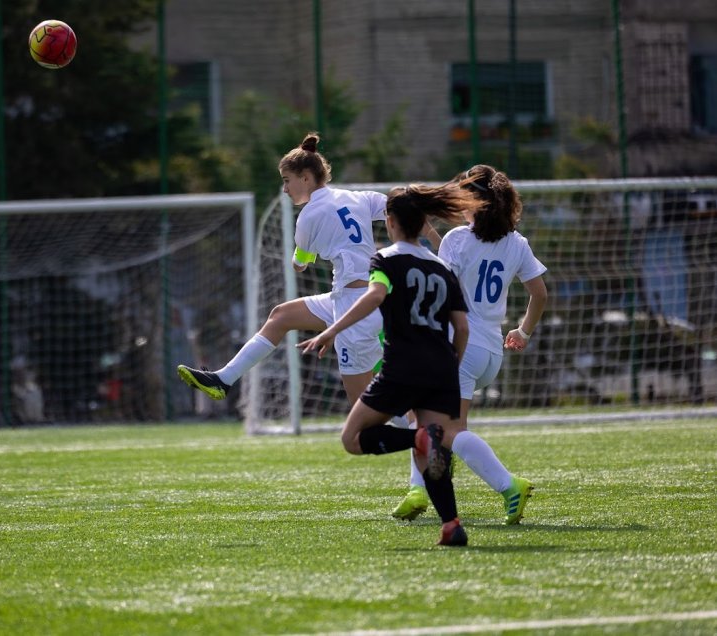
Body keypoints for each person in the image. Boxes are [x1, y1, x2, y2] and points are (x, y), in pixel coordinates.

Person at [177, 132, 435, 417]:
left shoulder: (309, 216)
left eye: (287, 180)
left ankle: (424, 434)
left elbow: (300, 263)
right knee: (281, 316)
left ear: (306, 177)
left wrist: (300, 258)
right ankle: (224, 378)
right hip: (361, 296)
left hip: (356, 305)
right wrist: (436, 244)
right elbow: (402, 208)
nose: (285, 189)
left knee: (366, 411)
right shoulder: (355, 197)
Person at [298, 181, 487, 546]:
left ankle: (417, 438)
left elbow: (375, 296)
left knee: (352, 438)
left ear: (391, 221)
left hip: (404, 365)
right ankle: (451, 525)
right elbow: (461, 326)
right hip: (442, 368)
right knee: (433, 453)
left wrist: (330, 331)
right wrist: (452, 365)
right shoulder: (442, 267)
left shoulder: (385, 259)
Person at [392, 164, 548, 526]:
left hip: (458, 347)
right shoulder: (516, 242)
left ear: (475, 202)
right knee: (424, 416)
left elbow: (440, 291)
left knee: (446, 430)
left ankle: (509, 485)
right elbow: (539, 294)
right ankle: (417, 490)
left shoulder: (458, 240)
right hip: (490, 351)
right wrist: (523, 332)